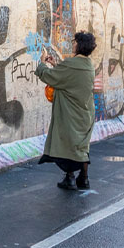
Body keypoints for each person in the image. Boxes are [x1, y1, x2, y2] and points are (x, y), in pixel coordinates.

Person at [36, 31, 97, 191]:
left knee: (67, 144)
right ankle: (83, 179)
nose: (73, 44)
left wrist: (42, 63)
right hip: (86, 112)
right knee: (81, 146)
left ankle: (70, 178)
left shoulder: (71, 64)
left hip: (70, 113)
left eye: (75, 42)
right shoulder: (88, 65)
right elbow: (70, 77)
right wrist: (57, 65)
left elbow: (49, 76)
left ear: (80, 44)